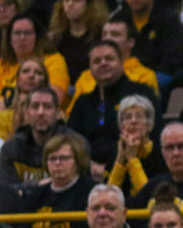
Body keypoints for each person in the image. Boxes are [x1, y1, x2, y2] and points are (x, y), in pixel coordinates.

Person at [65, 41, 159, 173]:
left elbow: (150, 138)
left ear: (121, 62)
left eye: (109, 58)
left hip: (133, 170)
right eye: (97, 61)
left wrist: (108, 168)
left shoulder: (142, 93)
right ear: (90, 69)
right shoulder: (82, 102)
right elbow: (72, 141)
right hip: (87, 173)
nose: (103, 63)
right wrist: (89, 166)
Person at [0, 87, 84, 187]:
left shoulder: (76, 145)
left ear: (58, 113)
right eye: (35, 107)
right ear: (26, 113)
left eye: (47, 107)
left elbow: (82, 189)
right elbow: (7, 191)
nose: (41, 112)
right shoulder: (12, 148)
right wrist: (39, 186)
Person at [105, 95, 163, 198]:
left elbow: (149, 198)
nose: (133, 121)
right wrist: (120, 159)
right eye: (128, 117)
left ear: (150, 125)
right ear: (121, 126)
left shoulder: (160, 152)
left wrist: (132, 159)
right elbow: (108, 197)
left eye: (139, 116)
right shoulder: (115, 151)